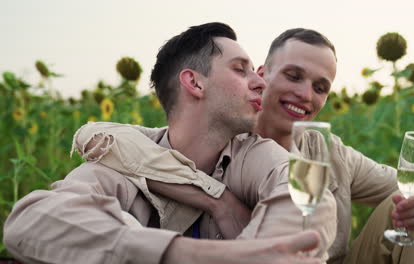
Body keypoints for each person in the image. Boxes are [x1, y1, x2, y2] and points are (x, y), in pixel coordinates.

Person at [70, 28, 414, 264]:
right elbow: (112, 137)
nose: (304, 94)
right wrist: (218, 198)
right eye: (293, 76)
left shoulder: (329, 152)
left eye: (319, 86)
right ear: (261, 75)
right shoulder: (222, 136)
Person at [3, 23, 338, 264]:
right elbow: (30, 224)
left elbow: (311, 203)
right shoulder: (125, 158)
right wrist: (187, 254)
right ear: (194, 82)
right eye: (240, 70)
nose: (260, 82)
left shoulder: (253, 153)